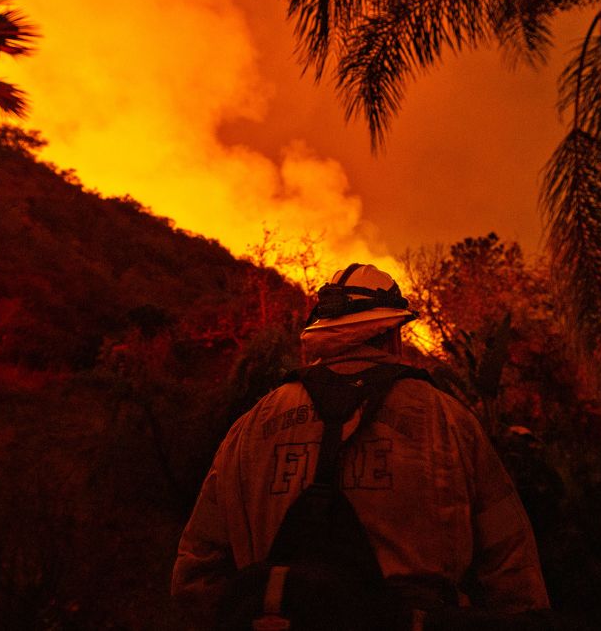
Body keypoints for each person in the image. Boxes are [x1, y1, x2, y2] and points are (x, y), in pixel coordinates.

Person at [171, 263, 550, 628]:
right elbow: (513, 571)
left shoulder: (250, 428)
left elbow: (194, 575)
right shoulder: (449, 421)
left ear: (323, 336)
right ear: (392, 333)